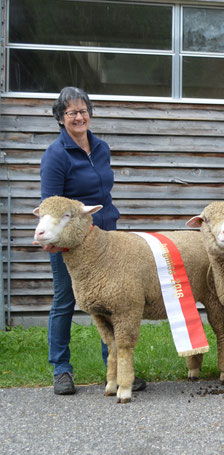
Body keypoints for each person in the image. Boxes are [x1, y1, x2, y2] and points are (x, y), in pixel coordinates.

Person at [38, 87, 146, 395]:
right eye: (71, 112)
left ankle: (114, 368)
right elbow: (51, 204)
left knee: (113, 301)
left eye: (83, 110)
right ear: (60, 118)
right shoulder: (56, 155)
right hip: (71, 242)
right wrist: (55, 241)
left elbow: (104, 192)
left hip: (106, 238)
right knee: (65, 300)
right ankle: (61, 369)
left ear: (90, 113)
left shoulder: (101, 147)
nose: (79, 117)